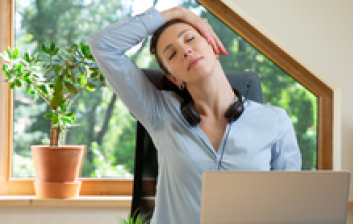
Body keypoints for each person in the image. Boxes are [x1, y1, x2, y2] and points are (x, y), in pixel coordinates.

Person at [88, 6, 301, 224]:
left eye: (190, 39)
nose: (185, 51)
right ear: (174, 79)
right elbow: (102, 45)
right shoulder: (159, 113)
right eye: (172, 54)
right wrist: (177, 13)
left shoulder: (275, 122)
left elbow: (289, 208)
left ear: (213, 45)